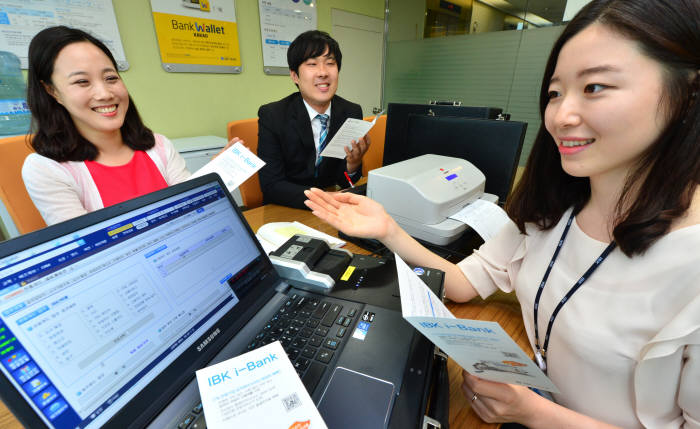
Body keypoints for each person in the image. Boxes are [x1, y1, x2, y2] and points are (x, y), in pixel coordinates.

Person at [304, 0, 700, 427]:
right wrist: (388, 229)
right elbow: (463, 282)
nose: (561, 115)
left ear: (688, 93)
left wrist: (534, 413)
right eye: (554, 92)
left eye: (595, 87)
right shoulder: (554, 206)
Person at [22, 26, 238, 225]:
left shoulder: (158, 146)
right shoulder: (46, 168)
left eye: (110, 78)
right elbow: (90, 251)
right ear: (52, 90)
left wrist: (217, 174)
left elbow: (191, 209)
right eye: (82, 82)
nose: (105, 93)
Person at [257, 30, 370, 209]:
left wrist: (353, 165)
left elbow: (344, 180)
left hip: (333, 209)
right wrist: (323, 199)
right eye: (312, 64)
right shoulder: (273, 115)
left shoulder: (351, 111)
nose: (323, 72)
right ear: (295, 75)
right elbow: (271, 186)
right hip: (286, 209)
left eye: (330, 63)